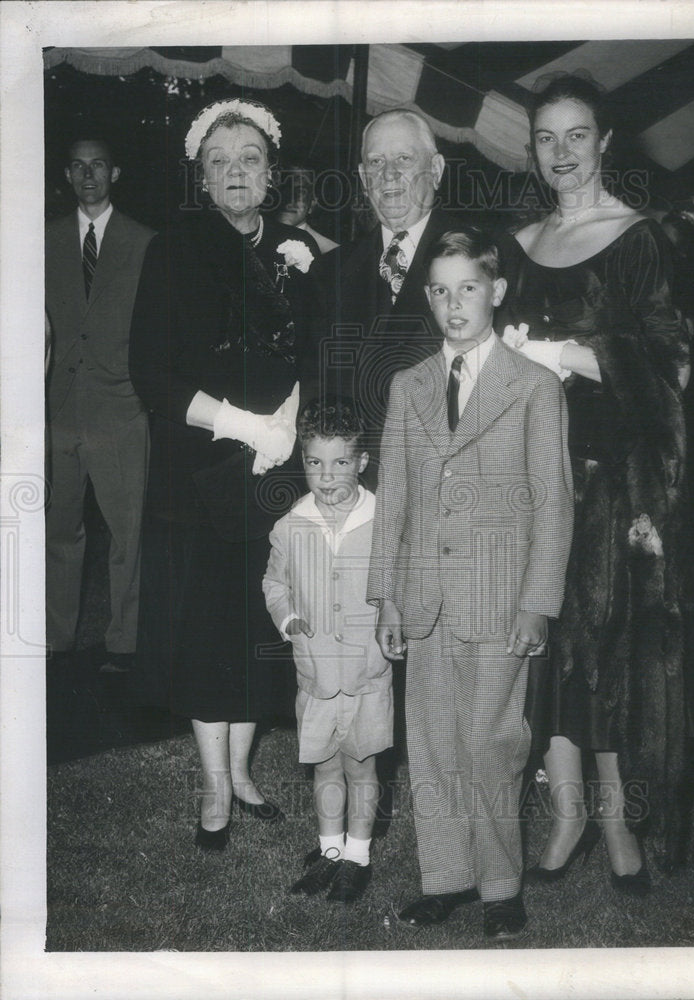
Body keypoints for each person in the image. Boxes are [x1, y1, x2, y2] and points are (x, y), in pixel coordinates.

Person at [497, 73, 693, 891]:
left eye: (576, 135)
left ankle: (616, 820)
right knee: (543, 651)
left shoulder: (640, 237)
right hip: (526, 474)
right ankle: (567, 810)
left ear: (605, 142)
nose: (560, 153)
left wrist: (567, 356)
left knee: (605, 649)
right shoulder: (517, 243)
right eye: (545, 138)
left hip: (608, 475)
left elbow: (672, 366)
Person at [367, 228, 574, 942]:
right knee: (428, 742)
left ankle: (499, 885)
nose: (453, 305)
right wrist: (386, 595)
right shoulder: (409, 385)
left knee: (491, 742)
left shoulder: (533, 387)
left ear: (497, 291)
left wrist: (537, 604)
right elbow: (391, 497)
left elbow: (553, 501)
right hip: (423, 595)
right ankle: (445, 878)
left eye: (468, 288)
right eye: (439, 290)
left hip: (497, 597)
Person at [129, 99, 320, 850]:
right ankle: (212, 783)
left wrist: (288, 429)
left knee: (255, 625)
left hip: (274, 471)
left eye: (249, 158)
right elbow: (151, 373)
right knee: (208, 631)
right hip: (200, 468)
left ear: (271, 172)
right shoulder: (173, 249)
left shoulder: (299, 249)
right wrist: (247, 427)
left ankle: (242, 770)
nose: (235, 172)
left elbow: (317, 353)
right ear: (201, 179)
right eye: (219, 162)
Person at [263, 397, 392, 903]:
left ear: (361, 463)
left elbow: (395, 588)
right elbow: (275, 583)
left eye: (340, 462)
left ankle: (357, 857)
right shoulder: (292, 525)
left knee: (361, 765)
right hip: (315, 673)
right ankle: (329, 851)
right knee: (324, 765)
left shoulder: (382, 522)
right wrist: (288, 618)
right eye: (315, 463)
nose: (327, 475)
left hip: (365, 672)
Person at [45, 137, 155, 673]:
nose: (89, 174)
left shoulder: (144, 242)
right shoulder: (39, 241)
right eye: (78, 166)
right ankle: (55, 639)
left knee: (127, 533)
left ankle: (124, 644)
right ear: (68, 175)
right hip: (57, 410)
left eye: (98, 166)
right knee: (59, 529)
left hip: (120, 408)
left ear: (115, 171)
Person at [308, 108, 463, 481]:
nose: (389, 174)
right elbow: (318, 400)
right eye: (376, 161)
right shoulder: (328, 274)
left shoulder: (483, 257)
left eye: (404, 159)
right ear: (363, 178)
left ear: (437, 170)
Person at [274, 165, 339, 254]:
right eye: (285, 188)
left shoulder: (331, 252)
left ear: (312, 203)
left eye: (300, 191)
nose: (290, 198)